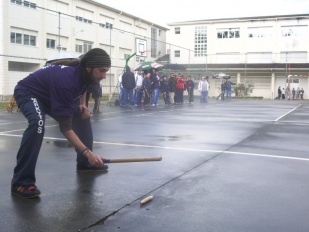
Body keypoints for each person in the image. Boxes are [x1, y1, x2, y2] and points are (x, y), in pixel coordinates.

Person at [11, 48, 111, 198]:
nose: (104, 75)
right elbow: (66, 128)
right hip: (28, 92)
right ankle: (21, 181)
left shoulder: (86, 73)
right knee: (37, 123)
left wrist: (82, 104)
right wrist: (88, 152)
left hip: (50, 94)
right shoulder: (66, 81)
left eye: (106, 71)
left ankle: (85, 163)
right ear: (88, 67)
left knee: (81, 114)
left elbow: (83, 87)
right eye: (101, 71)